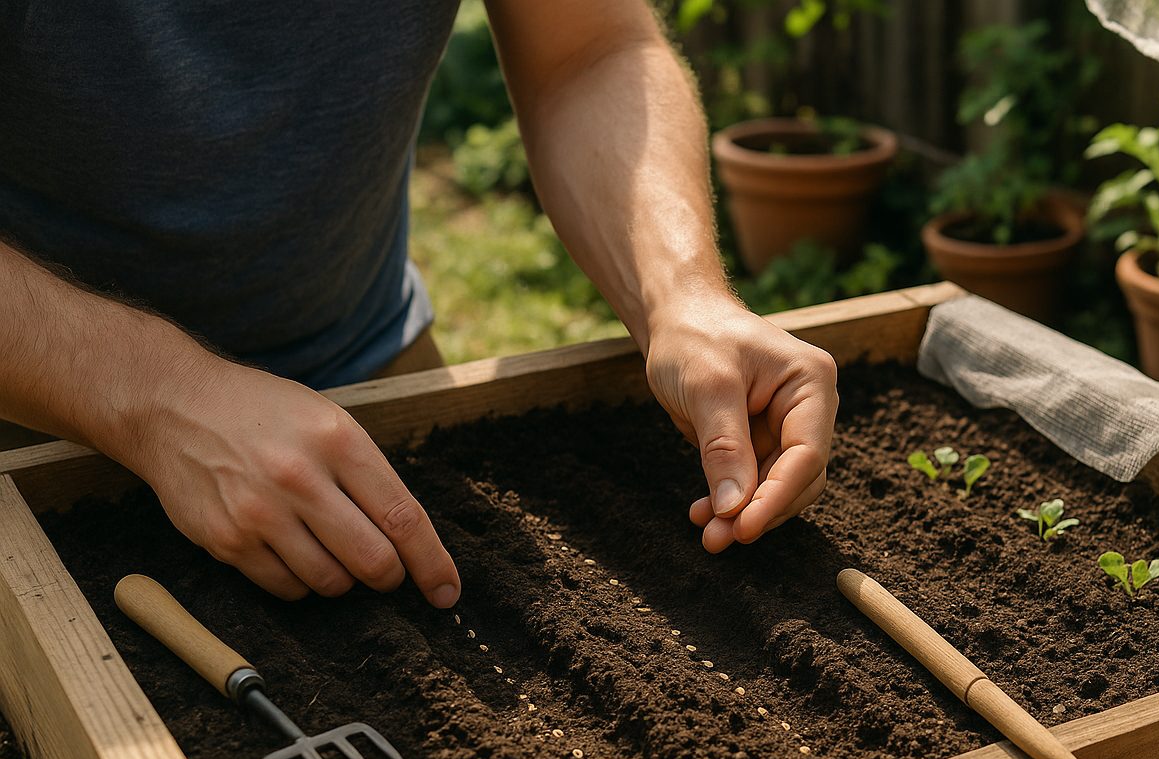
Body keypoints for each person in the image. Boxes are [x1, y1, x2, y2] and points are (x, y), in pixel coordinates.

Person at [0, 1, 838, 609]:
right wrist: (160, 396)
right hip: (36, 426)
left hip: (371, 382)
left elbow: (587, 50)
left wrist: (683, 293)